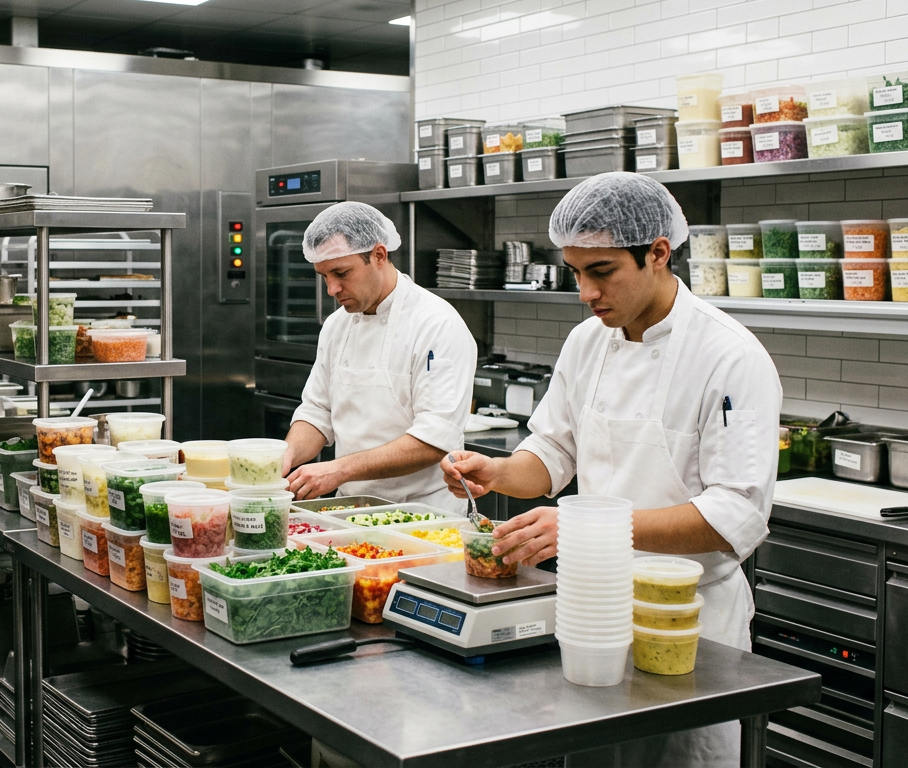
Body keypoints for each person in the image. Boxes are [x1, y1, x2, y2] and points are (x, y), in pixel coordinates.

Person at [443, 173, 781, 767]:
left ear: (657, 253)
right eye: (575, 272)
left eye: (601, 271)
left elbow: (734, 515)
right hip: (589, 610)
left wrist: (587, 529)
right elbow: (551, 454)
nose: (585, 292)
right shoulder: (586, 342)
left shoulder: (729, 355)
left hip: (686, 623)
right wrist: (496, 472)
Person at [283, 202, 477, 512]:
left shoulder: (436, 324)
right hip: (349, 512)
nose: (332, 288)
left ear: (379, 256)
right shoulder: (337, 325)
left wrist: (338, 470)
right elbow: (318, 411)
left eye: (341, 273)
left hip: (423, 519)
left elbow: (434, 439)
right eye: (324, 276)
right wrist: (285, 456)